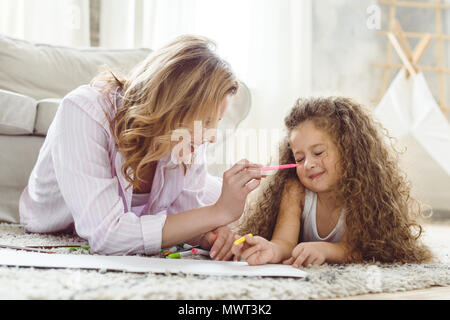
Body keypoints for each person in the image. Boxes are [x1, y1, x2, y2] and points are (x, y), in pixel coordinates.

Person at [19, 35, 265, 259]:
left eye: (216, 123)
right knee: (224, 207)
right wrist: (217, 214)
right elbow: (107, 235)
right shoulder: (83, 111)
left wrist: (208, 234)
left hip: (142, 211)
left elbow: (186, 212)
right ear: (173, 105)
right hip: (58, 220)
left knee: (252, 204)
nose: (211, 137)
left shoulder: (186, 137)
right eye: (207, 121)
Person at [232, 96, 434, 266]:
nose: (308, 164)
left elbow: (358, 250)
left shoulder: (361, 191)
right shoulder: (295, 189)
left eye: (318, 152)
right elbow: (284, 241)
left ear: (349, 150)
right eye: (299, 158)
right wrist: (272, 250)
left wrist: (325, 250)